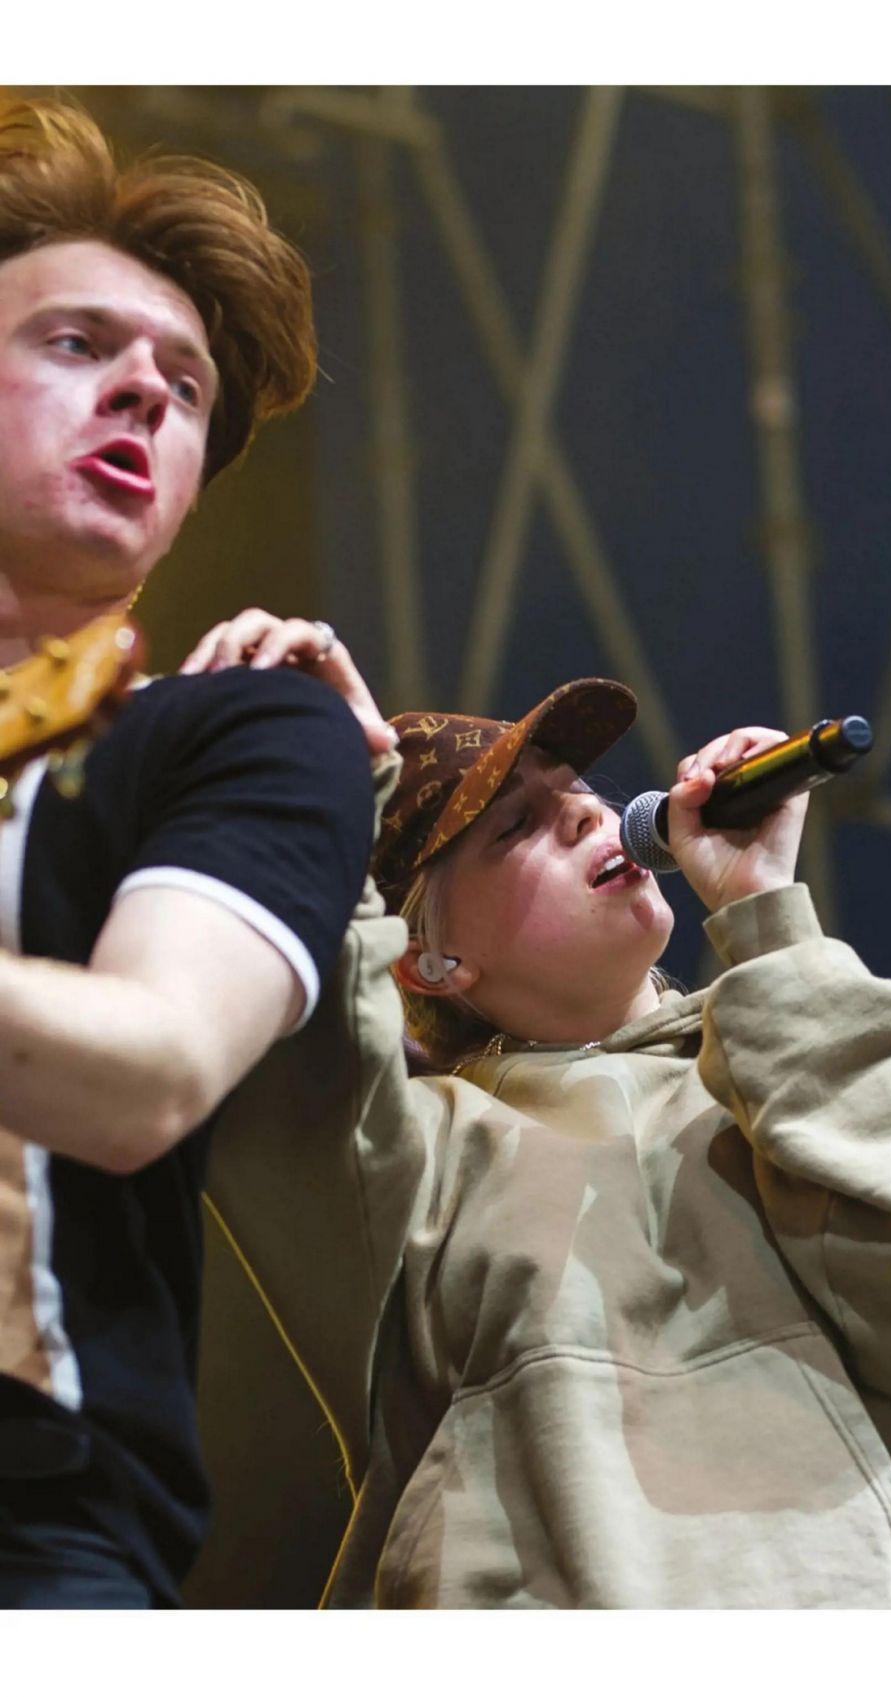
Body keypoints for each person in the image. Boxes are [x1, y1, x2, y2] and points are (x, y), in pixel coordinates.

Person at [203, 613, 891, 1609]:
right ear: (431, 958)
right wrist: (315, 796)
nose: (584, 815)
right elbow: (287, 1036)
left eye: (577, 790)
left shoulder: (817, 1025)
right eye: (516, 826)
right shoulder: (419, 1154)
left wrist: (767, 914)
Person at [0, 96, 390, 1608]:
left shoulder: (244, 730)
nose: (144, 397)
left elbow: (148, 1072)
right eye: (76, 343)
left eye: (185, 385)